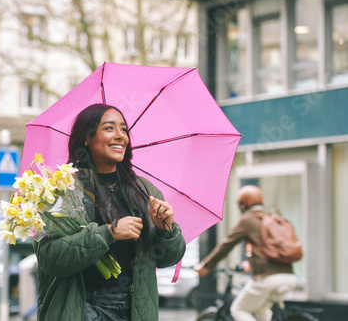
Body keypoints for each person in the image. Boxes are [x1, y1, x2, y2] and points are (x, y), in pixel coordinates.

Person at [33, 103, 186, 321]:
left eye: (124, 129)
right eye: (109, 128)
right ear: (87, 137)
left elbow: (167, 258)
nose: (120, 136)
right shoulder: (63, 190)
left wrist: (165, 229)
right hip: (84, 311)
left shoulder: (145, 191)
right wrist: (108, 234)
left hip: (135, 311)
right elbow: (50, 259)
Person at [193, 185, 298, 321]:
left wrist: (206, 265)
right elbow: (268, 250)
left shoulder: (248, 220)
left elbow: (227, 244)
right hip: (288, 276)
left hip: (267, 278)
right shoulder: (269, 218)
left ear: (244, 205)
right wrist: (251, 263)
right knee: (261, 308)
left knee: (239, 309)